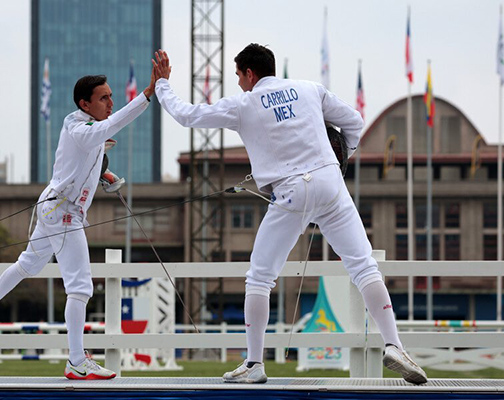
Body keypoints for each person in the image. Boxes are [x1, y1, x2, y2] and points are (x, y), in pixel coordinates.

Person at [152, 45, 427, 385]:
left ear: (250, 73)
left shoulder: (244, 104)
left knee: (260, 278)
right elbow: (354, 122)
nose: (238, 83)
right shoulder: (310, 89)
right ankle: (395, 345)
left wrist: (162, 84)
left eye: (238, 76)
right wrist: (343, 157)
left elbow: (187, 115)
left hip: (290, 193)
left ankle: (254, 364)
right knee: (363, 266)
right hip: (330, 183)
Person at [0, 70, 156, 380]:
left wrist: (103, 174)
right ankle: (76, 361)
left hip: (54, 208)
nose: (110, 102)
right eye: (104, 98)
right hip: (63, 211)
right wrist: (146, 95)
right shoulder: (81, 128)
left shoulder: (83, 127)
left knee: (27, 264)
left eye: (110, 96)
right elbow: (106, 129)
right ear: (85, 103)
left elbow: (87, 156)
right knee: (80, 286)